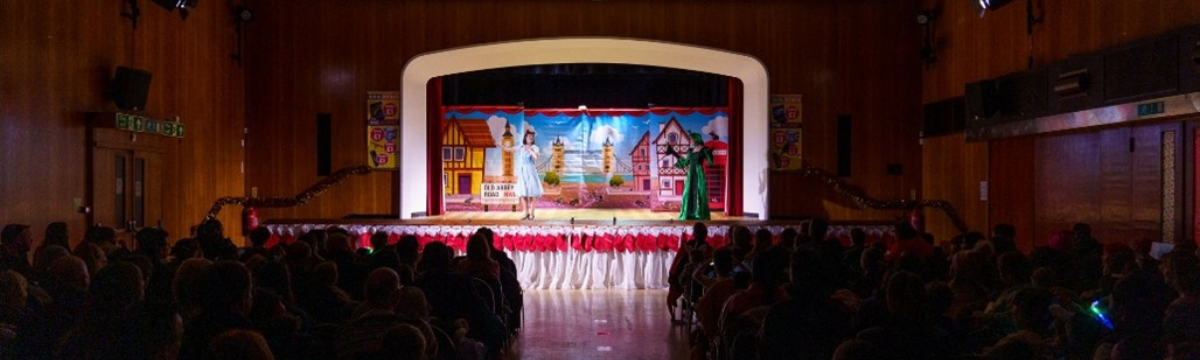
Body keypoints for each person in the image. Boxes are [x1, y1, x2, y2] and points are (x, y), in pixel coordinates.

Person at [665, 132, 714, 220]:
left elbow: (710, 163)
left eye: (691, 139)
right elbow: (686, 162)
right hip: (690, 174)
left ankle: (700, 214)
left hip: (699, 174)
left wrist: (710, 154)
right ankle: (689, 213)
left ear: (696, 139)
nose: (690, 140)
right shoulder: (690, 151)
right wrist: (677, 161)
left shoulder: (704, 149)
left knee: (699, 193)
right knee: (687, 193)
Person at [503, 129, 543, 220]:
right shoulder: (521, 147)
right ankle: (526, 213)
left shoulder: (535, 147)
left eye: (532, 137)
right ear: (526, 137)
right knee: (523, 193)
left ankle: (532, 214)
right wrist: (499, 145)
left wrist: (530, 150)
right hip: (522, 171)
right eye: (529, 136)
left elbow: (535, 157)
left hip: (531, 170)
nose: (531, 138)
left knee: (532, 193)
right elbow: (510, 149)